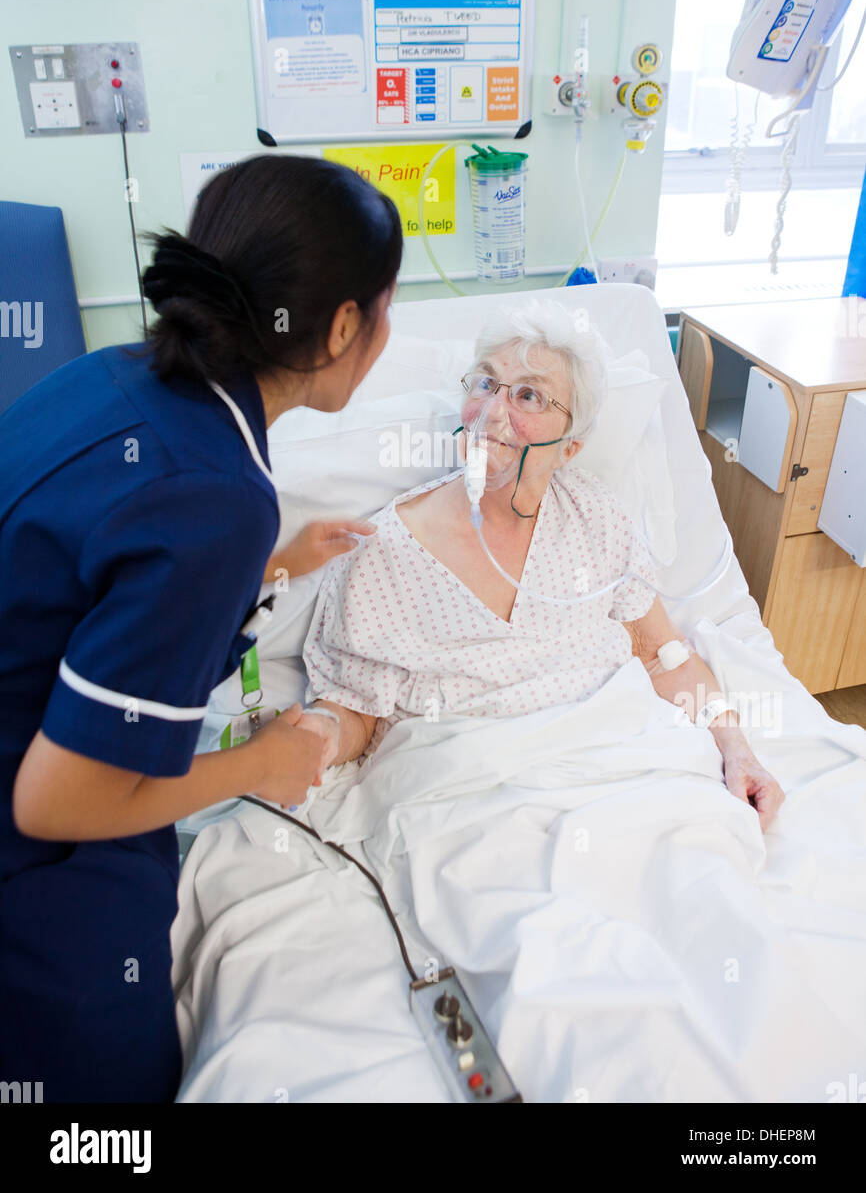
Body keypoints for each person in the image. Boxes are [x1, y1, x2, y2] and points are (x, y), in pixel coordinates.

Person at [0, 153, 402, 1102]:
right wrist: (263, 766)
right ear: (345, 325)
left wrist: (265, 568)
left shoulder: (112, 378)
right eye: (386, 310)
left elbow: (94, 572)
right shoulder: (217, 496)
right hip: (35, 860)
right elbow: (55, 803)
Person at [300, 300, 785, 830]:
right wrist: (314, 738)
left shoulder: (595, 518)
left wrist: (738, 750)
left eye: (528, 395)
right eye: (485, 385)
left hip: (622, 772)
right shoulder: (384, 548)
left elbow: (662, 656)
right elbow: (356, 712)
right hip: (471, 803)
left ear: (570, 446)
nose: (493, 413)